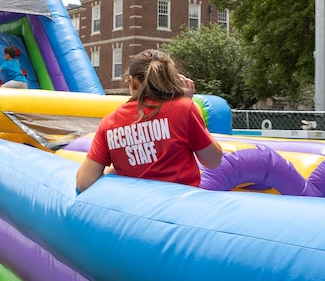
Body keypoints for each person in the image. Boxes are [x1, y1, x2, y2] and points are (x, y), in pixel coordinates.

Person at [76, 49, 223, 193]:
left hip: (136, 209)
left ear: (132, 82)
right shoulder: (184, 109)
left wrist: (112, 172)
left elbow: (83, 182)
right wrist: (188, 105)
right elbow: (213, 161)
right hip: (180, 207)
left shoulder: (110, 122)